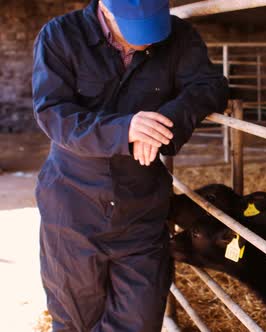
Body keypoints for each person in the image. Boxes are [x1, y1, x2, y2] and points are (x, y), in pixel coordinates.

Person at [31, 0, 228, 330]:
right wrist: (124, 130)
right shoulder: (61, 36)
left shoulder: (178, 37)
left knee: (140, 320)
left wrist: (165, 122)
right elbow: (53, 114)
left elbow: (210, 86)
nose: (148, 40)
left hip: (141, 207)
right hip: (72, 205)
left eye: (154, 24)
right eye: (136, 28)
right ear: (106, 9)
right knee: (75, 320)